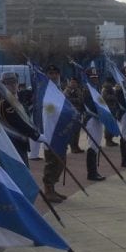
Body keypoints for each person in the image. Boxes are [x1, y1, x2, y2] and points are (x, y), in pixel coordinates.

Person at [0, 71, 40, 167]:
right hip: (12, 141)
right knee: (21, 171)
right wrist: (35, 135)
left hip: (20, 141)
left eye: (14, 82)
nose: (12, 85)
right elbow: (17, 122)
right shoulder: (5, 101)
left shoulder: (17, 99)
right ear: (3, 84)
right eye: (8, 83)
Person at [40, 65, 68, 203]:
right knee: (52, 162)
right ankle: (48, 190)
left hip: (60, 131)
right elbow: (51, 110)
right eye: (50, 73)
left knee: (61, 161)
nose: (53, 75)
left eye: (56, 73)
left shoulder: (58, 89)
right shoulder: (45, 90)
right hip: (51, 131)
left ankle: (53, 188)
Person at [82, 69, 106, 181]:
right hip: (91, 119)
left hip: (98, 120)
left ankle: (94, 171)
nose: (95, 79)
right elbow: (90, 106)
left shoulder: (96, 89)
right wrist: (100, 113)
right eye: (93, 77)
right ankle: (91, 173)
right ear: (89, 78)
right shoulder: (87, 90)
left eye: (96, 77)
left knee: (96, 145)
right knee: (93, 145)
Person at [63, 77, 85, 153]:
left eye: (74, 82)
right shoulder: (67, 90)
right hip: (71, 114)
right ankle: (72, 147)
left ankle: (76, 145)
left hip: (78, 113)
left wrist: (75, 99)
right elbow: (66, 100)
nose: (73, 84)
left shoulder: (78, 90)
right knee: (72, 131)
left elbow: (81, 100)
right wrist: (76, 100)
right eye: (72, 82)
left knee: (77, 131)